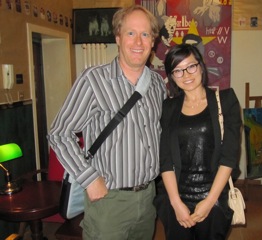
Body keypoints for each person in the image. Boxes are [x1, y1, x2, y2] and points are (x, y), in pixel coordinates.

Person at [48, 5, 167, 240]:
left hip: (148, 198)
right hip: (108, 202)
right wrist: (89, 179)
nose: (139, 42)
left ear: (153, 42)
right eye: (131, 33)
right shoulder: (93, 80)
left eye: (145, 34)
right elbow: (59, 134)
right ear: (118, 38)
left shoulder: (157, 85)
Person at [153, 44, 242, 240]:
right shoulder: (168, 108)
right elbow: (165, 159)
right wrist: (176, 204)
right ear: (171, 76)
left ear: (201, 66)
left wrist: (209, 202)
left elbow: (228, 157)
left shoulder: (226, 101)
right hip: (177, 195)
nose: (186, 74)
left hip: (214, 195)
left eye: (191, 66)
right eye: (178, 70)